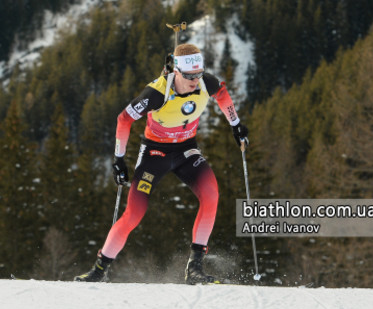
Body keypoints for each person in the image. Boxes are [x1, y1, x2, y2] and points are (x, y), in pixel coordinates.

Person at [75, 43, 248, 284]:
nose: (195, 81)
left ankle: (195, 269)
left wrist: (235, 124)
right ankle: (99, 270)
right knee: (134, 213)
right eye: (189, 76)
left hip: (186, 150)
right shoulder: (156, 93)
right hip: (154, 154)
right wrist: (118, 159)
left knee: (211, 195)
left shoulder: (205, 82)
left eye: (198, 74)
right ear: (176, 71)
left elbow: (222, 94)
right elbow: (123, 119)